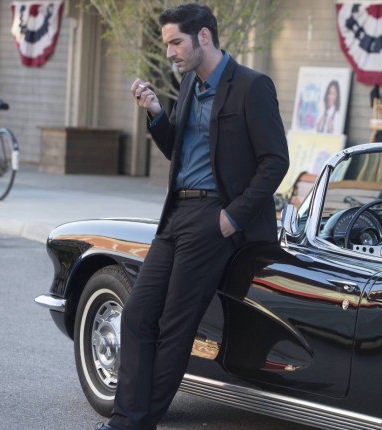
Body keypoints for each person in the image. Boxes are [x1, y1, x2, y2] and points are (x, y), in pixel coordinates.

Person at [99, 3, 289, 429]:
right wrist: (156, 114)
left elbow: (276, 161)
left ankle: (133, 422)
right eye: (167, 44)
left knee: (175, 325)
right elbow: (179, 152)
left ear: (204, 36)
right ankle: (129, 419)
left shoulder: (252, 86)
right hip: (177, 212)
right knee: (138, 313)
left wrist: (232, 217)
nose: (170, 53)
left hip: (214, 217)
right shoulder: (188, 85)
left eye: (176, 43)